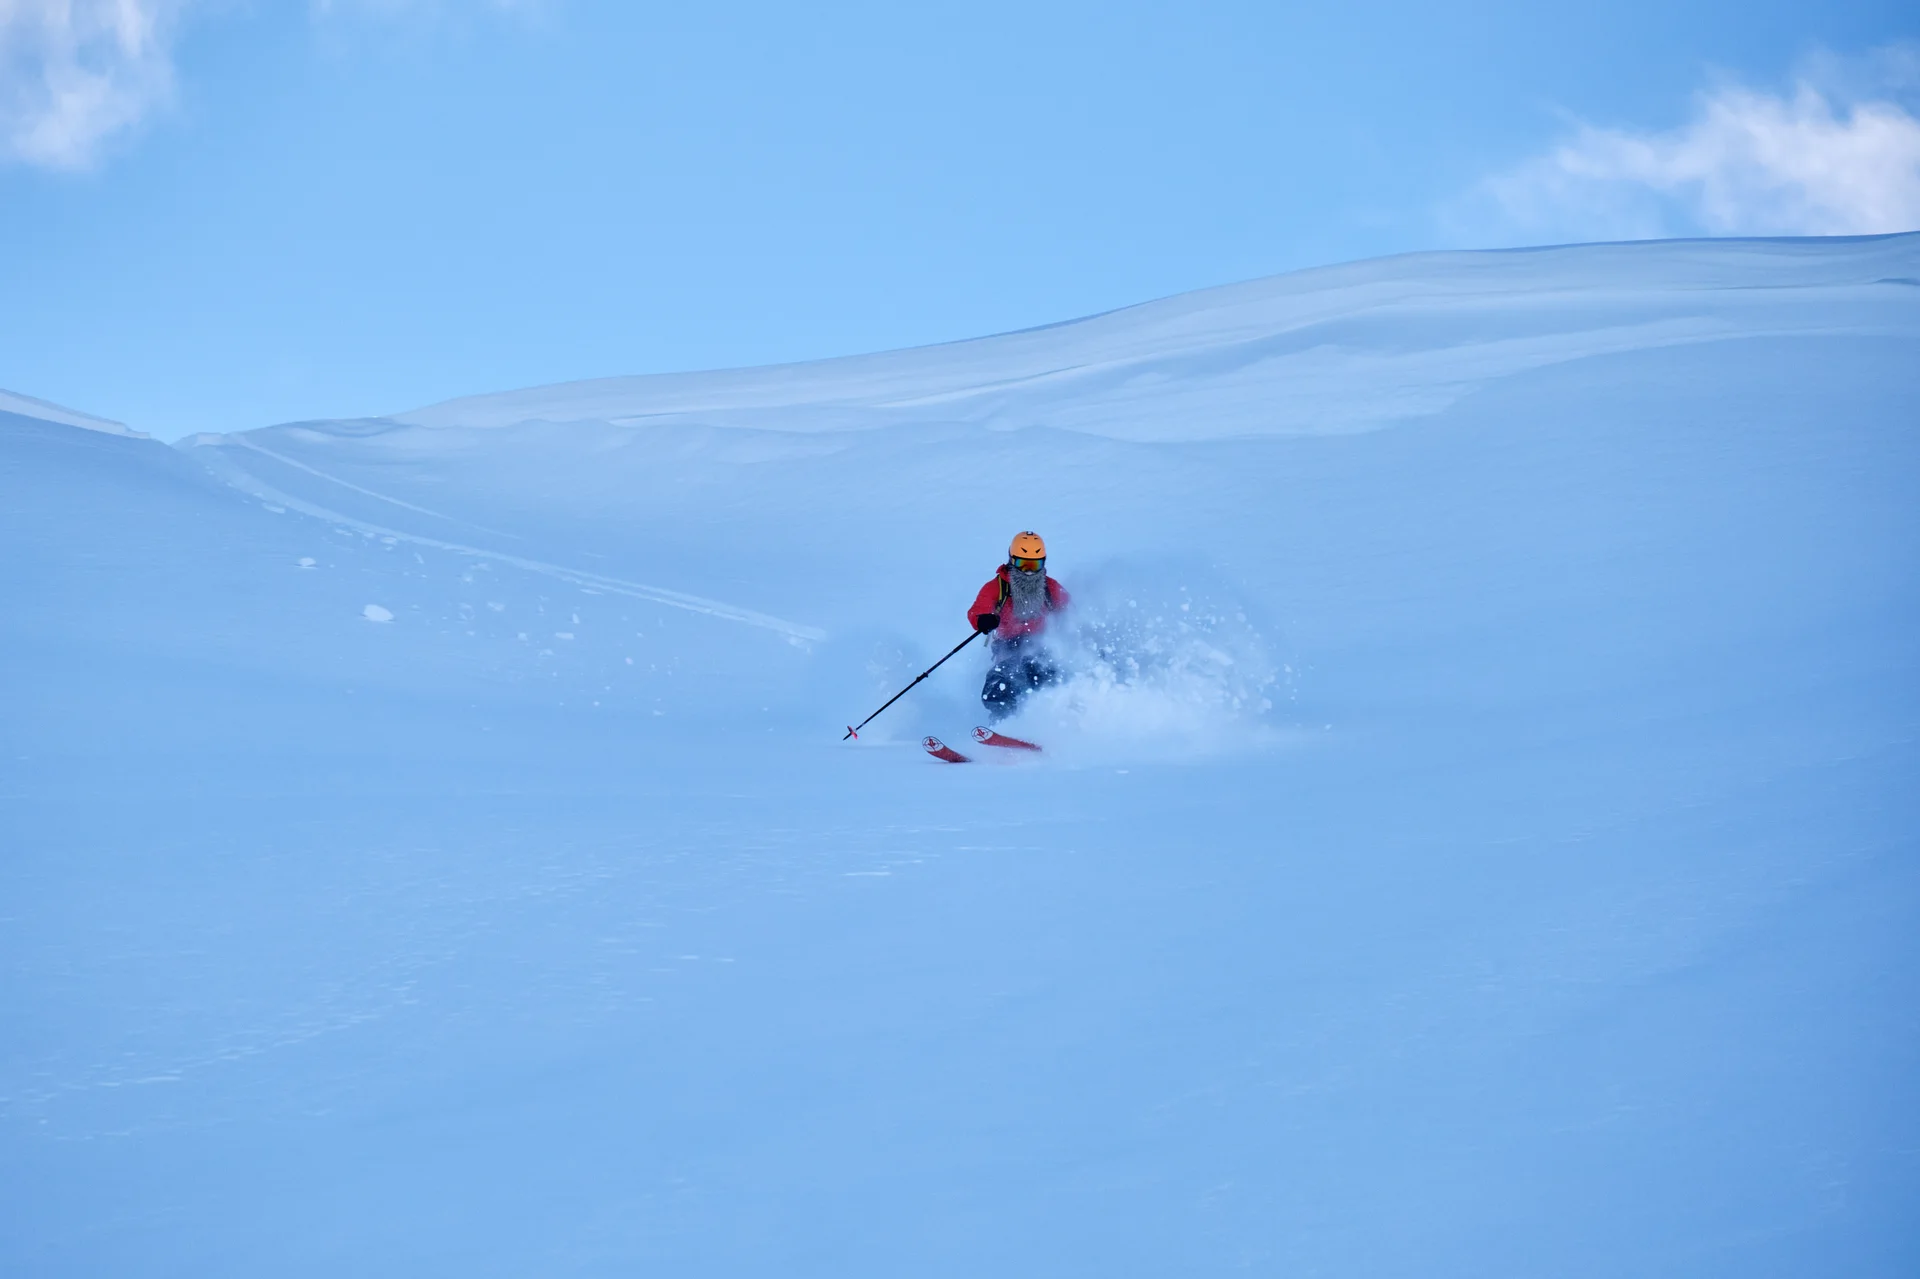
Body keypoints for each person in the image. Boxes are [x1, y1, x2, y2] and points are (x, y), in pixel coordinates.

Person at [967, 531, 1071, 719]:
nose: (1029, 571)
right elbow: (977, 611)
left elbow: (1072, 611)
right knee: (1001, 681)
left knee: (1045, 674)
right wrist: (983, 620)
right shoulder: (997, 587)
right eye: (1023, 564)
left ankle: (1051, 720)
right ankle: (1002, 723)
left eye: (1034, 565)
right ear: (1011, 560)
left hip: (1040, 644)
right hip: (1007, 646)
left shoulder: (1050, 587)